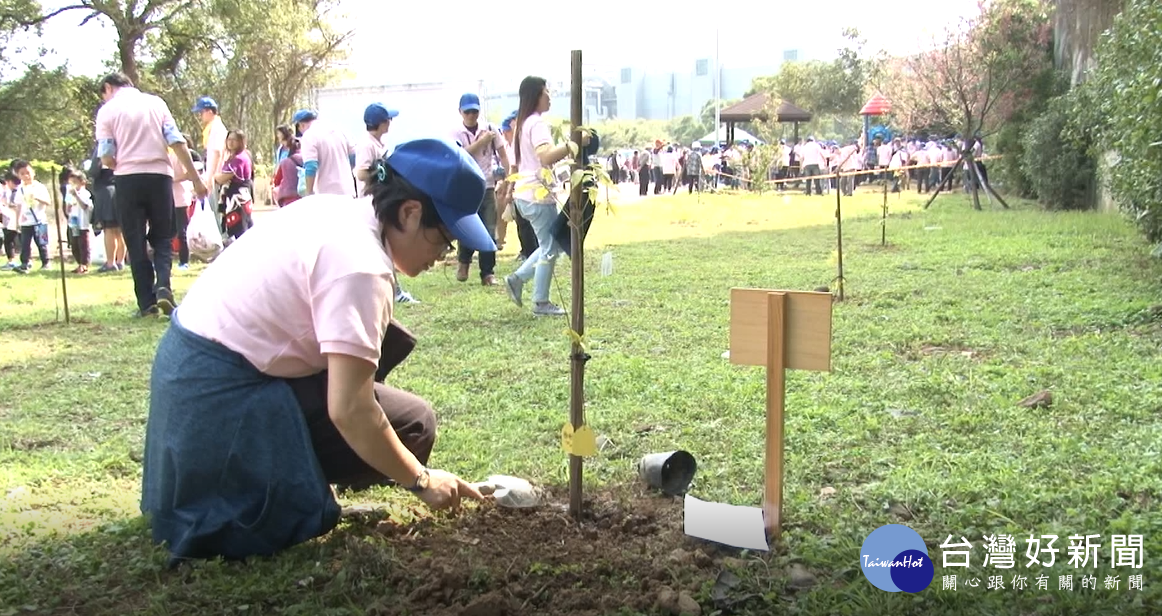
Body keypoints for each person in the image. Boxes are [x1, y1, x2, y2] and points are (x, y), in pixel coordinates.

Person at [141, 138, 490, 563]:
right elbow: (350, 410)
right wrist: (421, 481)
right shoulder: (362, 265)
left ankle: (294, 477)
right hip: (217, 404)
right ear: (410, 213)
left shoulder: (336, 210)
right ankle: (262, 494)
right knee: (408, 427)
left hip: (187, 382)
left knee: (411, 417)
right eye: (444, 239)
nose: (442, 254)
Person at [96, 73, 207, 317]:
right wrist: (196, 180)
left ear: (107, 88)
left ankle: (146, 303)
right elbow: (177, 141)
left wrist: (121, 162)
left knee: (135, 240)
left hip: (127, 178)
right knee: (163, 236)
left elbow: (106, 155)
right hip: (160, 176)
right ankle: (164, 285)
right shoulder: (156, 103)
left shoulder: (107, 111)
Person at [503, 76, 585, 318]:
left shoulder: (521, 124)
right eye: (545, 92)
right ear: (535, 97)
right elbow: (546, 156)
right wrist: (574, 144)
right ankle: (538, 300)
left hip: (525, 194)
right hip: (537, 195)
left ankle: (519, 280)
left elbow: (518, 163)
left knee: (550, 245)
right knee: (550, 247)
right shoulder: (537, 123)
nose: (549, 96)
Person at [451, 92, 509, 286]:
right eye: (467, 112)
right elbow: (459, 156)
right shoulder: (455, 133)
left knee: (489, 229)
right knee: (467, 227)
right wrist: (481, 142)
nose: (471, 115)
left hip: (487, 185)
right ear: (460, 112)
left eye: (474, 111)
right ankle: (464, 262)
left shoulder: (491, 129)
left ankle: (487, 273)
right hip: (465, 187)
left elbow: (503, 154)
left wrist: (508, 179)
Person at [296, 109, 355, 197]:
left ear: (301, 125)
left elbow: (311, 166)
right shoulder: (338, 130)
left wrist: (309, 192)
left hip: (326, 194)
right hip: (348, 191)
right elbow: (353, 157)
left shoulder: (309, 136)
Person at [11, 160, 51, 273]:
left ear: (33, 172)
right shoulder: (20, 189)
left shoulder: (40, 187)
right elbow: (18, 205)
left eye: (27, 172)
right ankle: (25, 263)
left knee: (42, 243)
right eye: (22, 174)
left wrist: (37, 197)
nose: (26, 176)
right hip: (26, 222)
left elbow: (48, 201)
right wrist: (17, 221)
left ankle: (46, 262)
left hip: (40, 220)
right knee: (25, 244)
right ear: (18, 175)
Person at [65, 168, 94, 274]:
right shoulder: (70, 194)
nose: (73, 185)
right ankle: (79, 263)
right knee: (74, 244)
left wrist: (76, 196)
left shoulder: (85, 193)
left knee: (83, 244)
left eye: (75, 182)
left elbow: (85, 206)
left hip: (83, 222)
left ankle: (84, 264)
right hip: (73, 222)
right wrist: (68, 205)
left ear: (82, 182)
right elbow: (67, 209)